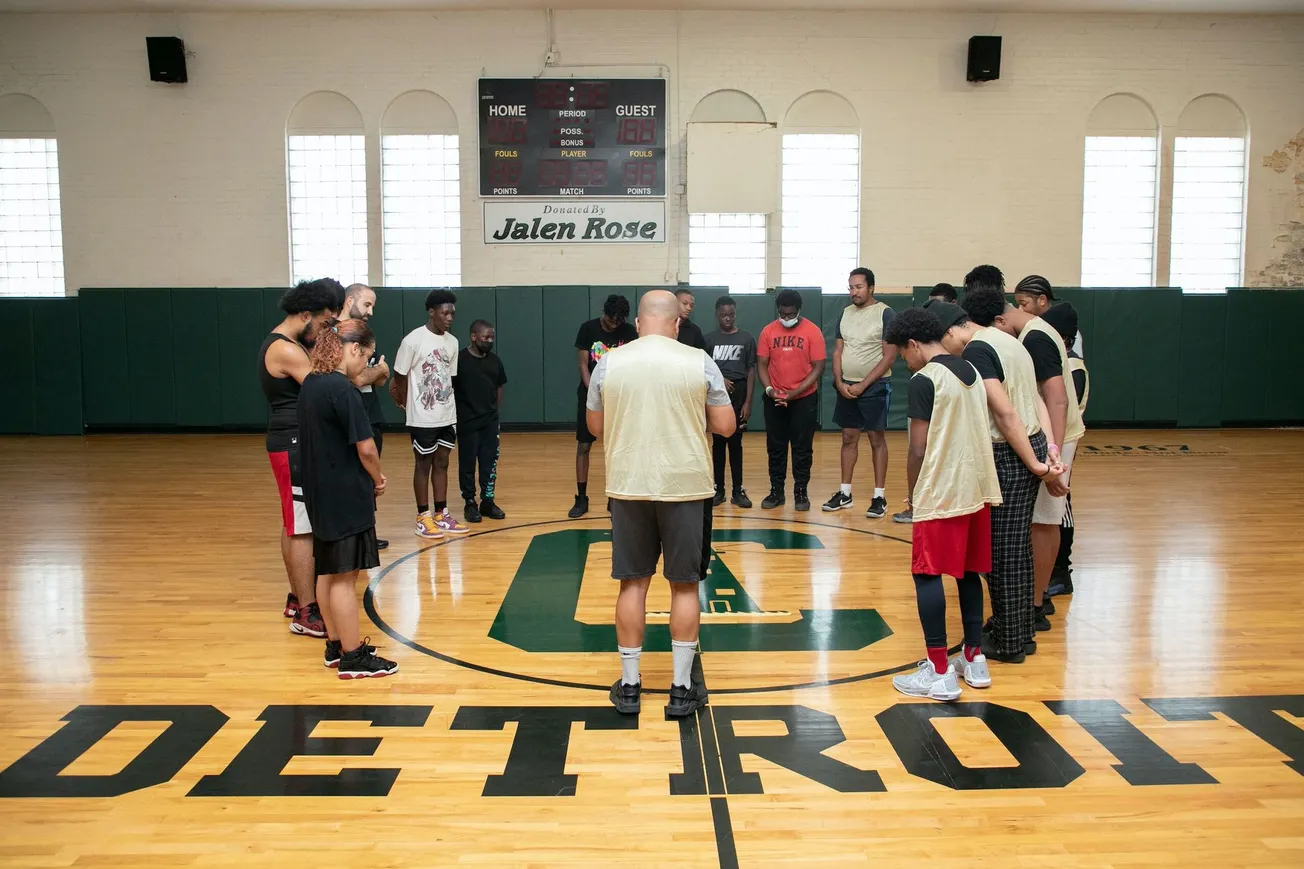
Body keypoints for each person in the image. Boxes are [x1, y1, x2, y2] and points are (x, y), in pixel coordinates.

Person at [585, 290, 736, 718]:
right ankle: (681, 688)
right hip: (686, 485)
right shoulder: (698, 360)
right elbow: (725, 426)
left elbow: (596, 427)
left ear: (638, 324)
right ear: (675, 324)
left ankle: (631, 687)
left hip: (628, 484)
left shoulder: (609, 362)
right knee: (684, 585)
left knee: (632, 583)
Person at [936, 294, 1065, 663]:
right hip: (1033, 440)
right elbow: (1036, 398)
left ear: (950, 331)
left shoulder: (977, 350)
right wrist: (1047, 448)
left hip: (1011, 452)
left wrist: (1035, 463)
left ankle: (1008, 645)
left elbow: (1005, 413)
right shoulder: (1008, 339)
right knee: (1018, 550)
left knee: (1002, 555)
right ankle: (1020, 632)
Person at [885, 307, 1002, 701]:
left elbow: (917, 448)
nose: (905, 361)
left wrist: (914, 494)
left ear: (914, 344)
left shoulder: (925, 380)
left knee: (927, 574)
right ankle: (973, 658)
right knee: (968, 573)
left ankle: (938, 671)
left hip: (942, 488)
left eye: (903, 354)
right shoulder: (969, 370)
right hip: (975, 488)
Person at [298, 318, 397, 679]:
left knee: (328, 571)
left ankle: (336, 645)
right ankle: (353, 657)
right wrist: (377, 477)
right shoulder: (343, 390)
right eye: (367, 358)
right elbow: (366, 447)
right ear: (354, 349)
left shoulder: (311, 383)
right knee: (345, 578)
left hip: (320, 493)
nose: (366, 366)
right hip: (345, 493)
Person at [988, 275, 1086, 633]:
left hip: (1055, 438)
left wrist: (1054, 456)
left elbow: (1056, 398)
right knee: (1039, 521)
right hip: (1047, 438)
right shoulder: (1032, 333)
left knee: (1044, 521)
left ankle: (1035, 603)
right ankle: (1034, 597)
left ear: (1001, 319)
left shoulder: (1036, 337)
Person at [258, 278, 342, 638]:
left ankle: (297, 597)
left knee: (294, 521)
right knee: (302, 527)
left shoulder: (288, 342)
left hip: (294, 441)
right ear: (305, 314)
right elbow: (323, 391)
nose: (323, 331)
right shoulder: (285, 349)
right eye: (322, 323)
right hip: (291, 443)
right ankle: (307, 612)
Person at [390, 289, 468, 539]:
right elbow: (400, 376)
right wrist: (405, 403)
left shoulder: (453, 342)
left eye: (452, 313)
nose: (449, 318)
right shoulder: (413, 340)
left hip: (447, 414)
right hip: (422, 416)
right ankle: (423, 516)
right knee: (423, 464)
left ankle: (441, 513)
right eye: (445, 313)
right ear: (431, 312)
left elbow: (451, 377)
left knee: (443, 462)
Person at [827, 267, 897, 518]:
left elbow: (889, 356)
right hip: (847, 386)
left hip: (875, 388)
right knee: (848, 438)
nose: (854, 292)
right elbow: (837, 352)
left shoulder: (885, 313)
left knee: (876, 439)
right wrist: (839, 383)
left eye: (858, 287)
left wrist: (863, 385)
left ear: (871, 288)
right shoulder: (845, 313)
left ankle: (879, 496)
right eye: (851, 287)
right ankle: (845, 493)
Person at [757, 289, 826, 512]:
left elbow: (818, 368)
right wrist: (770, 390)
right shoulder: (767, 331)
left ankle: (800, 492)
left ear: (799, 311)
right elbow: (762, 364)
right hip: (774, 399)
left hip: (803, 399)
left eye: (791, 314)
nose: (787, 319)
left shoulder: (813, 332)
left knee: (802, 447)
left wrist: (793, 394)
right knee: (775, 447)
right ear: (778, 311)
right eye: (783, 314)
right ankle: (776, 491)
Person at [572, 294, 638, 518]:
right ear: (604, 314)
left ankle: (615, 497)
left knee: (617, 447)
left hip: (619, 397)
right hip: (591, 395)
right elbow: (583, 365)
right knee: (584, 446)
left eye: (618, 322)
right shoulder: (588, 328)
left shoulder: (629, 332)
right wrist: (594, 393)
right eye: (611, 321)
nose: (614, 325)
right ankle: (581, 498)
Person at [1040, 301, 1089, 599]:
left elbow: (1063, 405)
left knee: (1061, 510)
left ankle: (1061, 572)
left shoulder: (1073, 367)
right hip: (1059, 442)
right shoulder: (1060, 363)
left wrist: (1055, 447)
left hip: (1065, 442)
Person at [340, 283, 389, 550]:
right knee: (356, 473)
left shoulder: (365, 333)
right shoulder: (338, 335)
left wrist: (378, 373)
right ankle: (354, 533)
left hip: (371, 410)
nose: (370, 311)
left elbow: (377, 380)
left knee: (370, 477)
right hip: (352, 409)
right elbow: (357, 378)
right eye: (367, 304)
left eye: (372, 306)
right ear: (350, 301)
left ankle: (367, 531)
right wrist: (380, 369)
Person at [704, 295, 756, 508]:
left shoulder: (746, 338)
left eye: (731, 314)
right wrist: (719, 379)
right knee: (718, 443)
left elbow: (751, 369)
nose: (728, 318)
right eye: (724, 315)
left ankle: (738, 490)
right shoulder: (709, 340)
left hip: (739, 392)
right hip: (717, 392)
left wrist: (747, 402)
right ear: (717, 315)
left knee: (736, 443)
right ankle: (718, 488)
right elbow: (704, 367)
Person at [454, 319, 508, 524]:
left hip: (490, 421)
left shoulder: (495, 361)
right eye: (485, 337)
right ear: (473, 336)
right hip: (467, 422)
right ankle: (470, 502)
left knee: (489, 463)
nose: (489, 341)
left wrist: (494, 410)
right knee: (467, 464)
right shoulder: (460, 359)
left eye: (492, 337)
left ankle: (487, 500)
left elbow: (500, 386)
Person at [1013, 275, 1085, 358]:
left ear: (1042, 300)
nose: (1020, 309)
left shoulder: (1066, 330)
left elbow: (1073, 364)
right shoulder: (1028, 328)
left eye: (1023, 304)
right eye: (1018, 304)